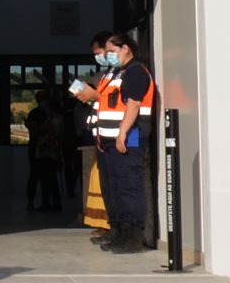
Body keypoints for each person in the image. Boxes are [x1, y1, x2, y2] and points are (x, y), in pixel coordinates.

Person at [94, 32, 157, 253]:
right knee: (117, 188)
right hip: (112, 141)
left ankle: (132, 237)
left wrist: (122, 134)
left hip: (128, 140)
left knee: (129, 187)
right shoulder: (118, 73)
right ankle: (121, 233)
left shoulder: (135, 72)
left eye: (112, 51)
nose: (108, 55)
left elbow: (134, 105)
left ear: (126, 49)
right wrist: (103, 137)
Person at [72, 31, 114, 242]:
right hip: (103, 137)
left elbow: (120, 102)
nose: (100, 57)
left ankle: (114, 227)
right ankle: (103, 224)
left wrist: (94, 94)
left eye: (101, 53)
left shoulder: (129, 73)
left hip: (120, 138)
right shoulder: (107, 75)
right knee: (100, 181)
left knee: (117, 185)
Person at [26, 99, 62, 212]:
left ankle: (48, 203)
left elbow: (42, 131)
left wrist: (30, 127)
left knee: (47, 178)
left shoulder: (52, 119)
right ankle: (54, 202)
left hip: (47, 151)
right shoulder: (58, 118)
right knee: (51, 178)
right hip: (52, 151)